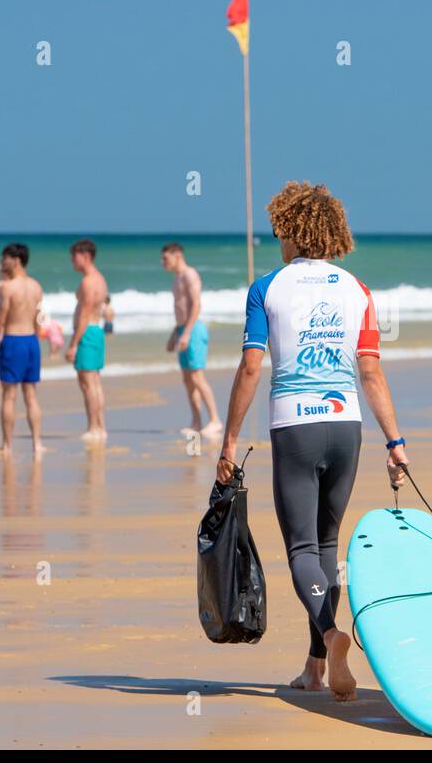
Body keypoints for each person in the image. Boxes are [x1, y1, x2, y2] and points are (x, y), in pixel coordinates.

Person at [217, 181, 408, 703]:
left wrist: (228, 442)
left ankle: (328, 633)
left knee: (302, 547)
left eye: (280, 231)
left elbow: (252, 365)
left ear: (291, 231)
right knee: (326, 546)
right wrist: (396, 441)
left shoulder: (267, 287)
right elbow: (371, 372)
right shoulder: (357, 288)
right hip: (347, 426)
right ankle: (316, 668)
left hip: (295, 426)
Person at [0, 243, 46, 457]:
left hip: (13, 341)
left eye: (5, 258)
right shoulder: (36, 286)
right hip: (32, 342)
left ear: (15, 260)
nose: (1, 261)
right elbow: (40, 318)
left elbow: (0, 321)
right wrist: (36, 338)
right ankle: (37, 443)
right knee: (31, 395)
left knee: (9, 396)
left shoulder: (8, 287)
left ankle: (7, 445)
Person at [162, 242, 222, 438]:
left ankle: (215, 420)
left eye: (166, 258)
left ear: (177, 255)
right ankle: (196, 421)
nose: (163, 262)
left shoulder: (190, 275)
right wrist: (175, 334)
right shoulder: (176, 279)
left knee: (197, 376)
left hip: (194, 329)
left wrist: (186, 333)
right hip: (182, 329)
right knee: (188, 379)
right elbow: (181, 310)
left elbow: (196, 305)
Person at [65, 238, 109, 443]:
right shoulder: (99, 278)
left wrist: (73, 344)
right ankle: (99, 426)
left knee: (88, 382)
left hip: (87, 333)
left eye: (74, 256)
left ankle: (94, 427)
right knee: (94, 382)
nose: (72, 261)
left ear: (85, 256)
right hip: (95, 331)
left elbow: (84, 314)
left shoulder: (88, 281)